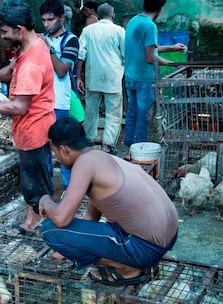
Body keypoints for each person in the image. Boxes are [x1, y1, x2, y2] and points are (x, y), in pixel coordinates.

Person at [39, 117, 178, 286]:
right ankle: (128, 260)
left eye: (55, 153)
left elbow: (61, 219)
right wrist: (68, 246)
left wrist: (45, 199)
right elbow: (92, 214)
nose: (57, 159)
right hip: (167, 238)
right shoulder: (100, 157)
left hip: (146, 249)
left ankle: (126, 268)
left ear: (63, 150)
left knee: (49, 229)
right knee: (65, 231)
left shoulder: (84, 164)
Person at [0, 0, 55, 236]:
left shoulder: (32, 64)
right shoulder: (30, 46)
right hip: (34, 128)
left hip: (34, 131)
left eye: (5, 31)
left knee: (36, 185)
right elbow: (12, 67)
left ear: (19, 29)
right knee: (33, 182)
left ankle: (42, 228)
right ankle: (33, 219)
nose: (2, 35)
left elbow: (19, 107)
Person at [123, 0, 186, 160]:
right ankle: (141, 151)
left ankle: (129, 149)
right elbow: (150, 57)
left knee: (132, 113)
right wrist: (173, 64)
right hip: (144, 78)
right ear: (159, 9)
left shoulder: (134, 21)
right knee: (144, 116)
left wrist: (172, 48)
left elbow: (148, 47)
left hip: (130, 76)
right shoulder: (150, 26)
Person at [40, 0, 79, 190]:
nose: (46, 24)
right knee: (44, 147)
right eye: (44, 20)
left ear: (61, 18)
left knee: (63, 148)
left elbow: (62, 70)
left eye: (50, 19)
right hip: (42, 102)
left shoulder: (71, 40)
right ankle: (47, 186)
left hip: (59, 102)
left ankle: (69, 188)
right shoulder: (42, 39)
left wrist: (49, 49)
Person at [76, 3, 125, 154]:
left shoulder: (88, 30)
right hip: (113, 78)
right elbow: (125, 55)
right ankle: (107, 145)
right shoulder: (119, 31)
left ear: (98, 14)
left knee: (91, 109)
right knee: (113, 113)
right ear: (113, 15)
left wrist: (78, 77)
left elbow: (81, 55)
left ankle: (89, 140)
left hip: (93, 78)